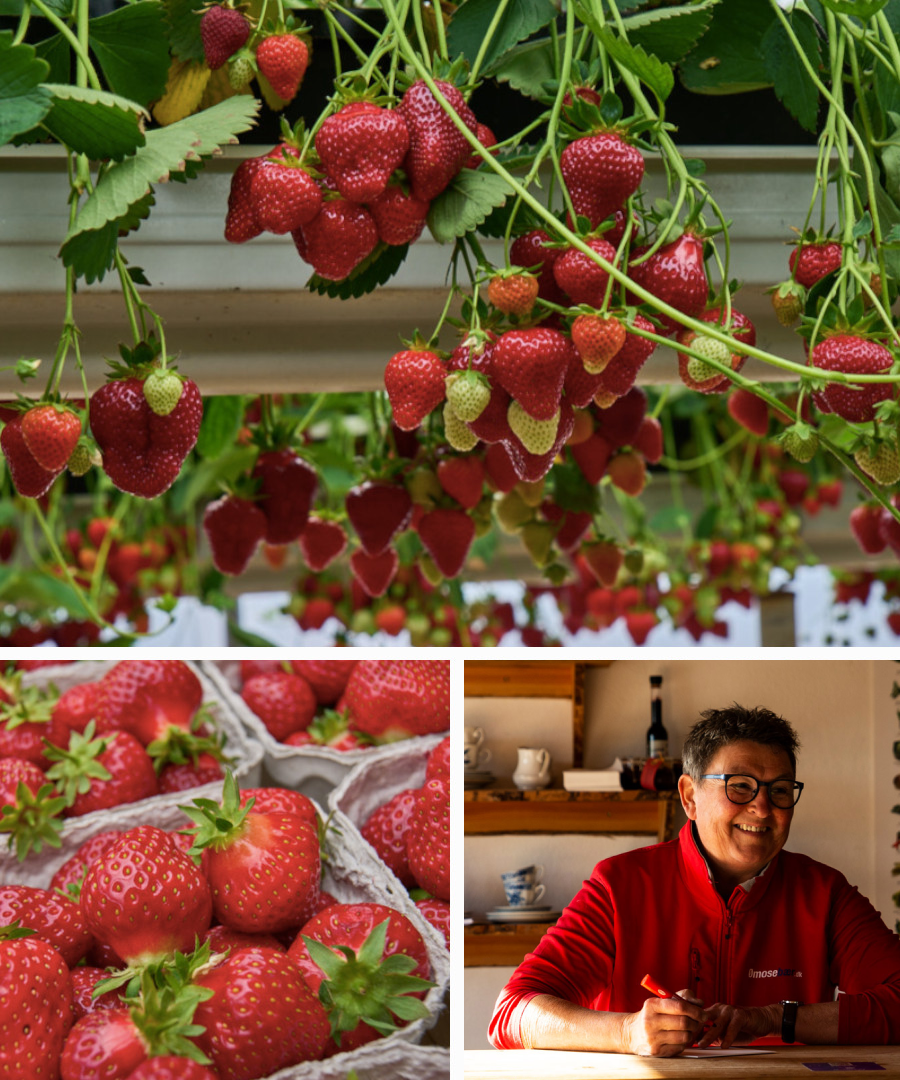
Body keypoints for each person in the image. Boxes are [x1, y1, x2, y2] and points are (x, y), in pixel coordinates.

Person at [488, 704, 900, 1056]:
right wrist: (627, 1032)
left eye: (779, 790)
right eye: (740, 786)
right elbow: (513, 1013)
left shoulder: (825, 893)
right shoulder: (620, 884)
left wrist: (776, 1017)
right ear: (689, 797)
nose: (761, 807)